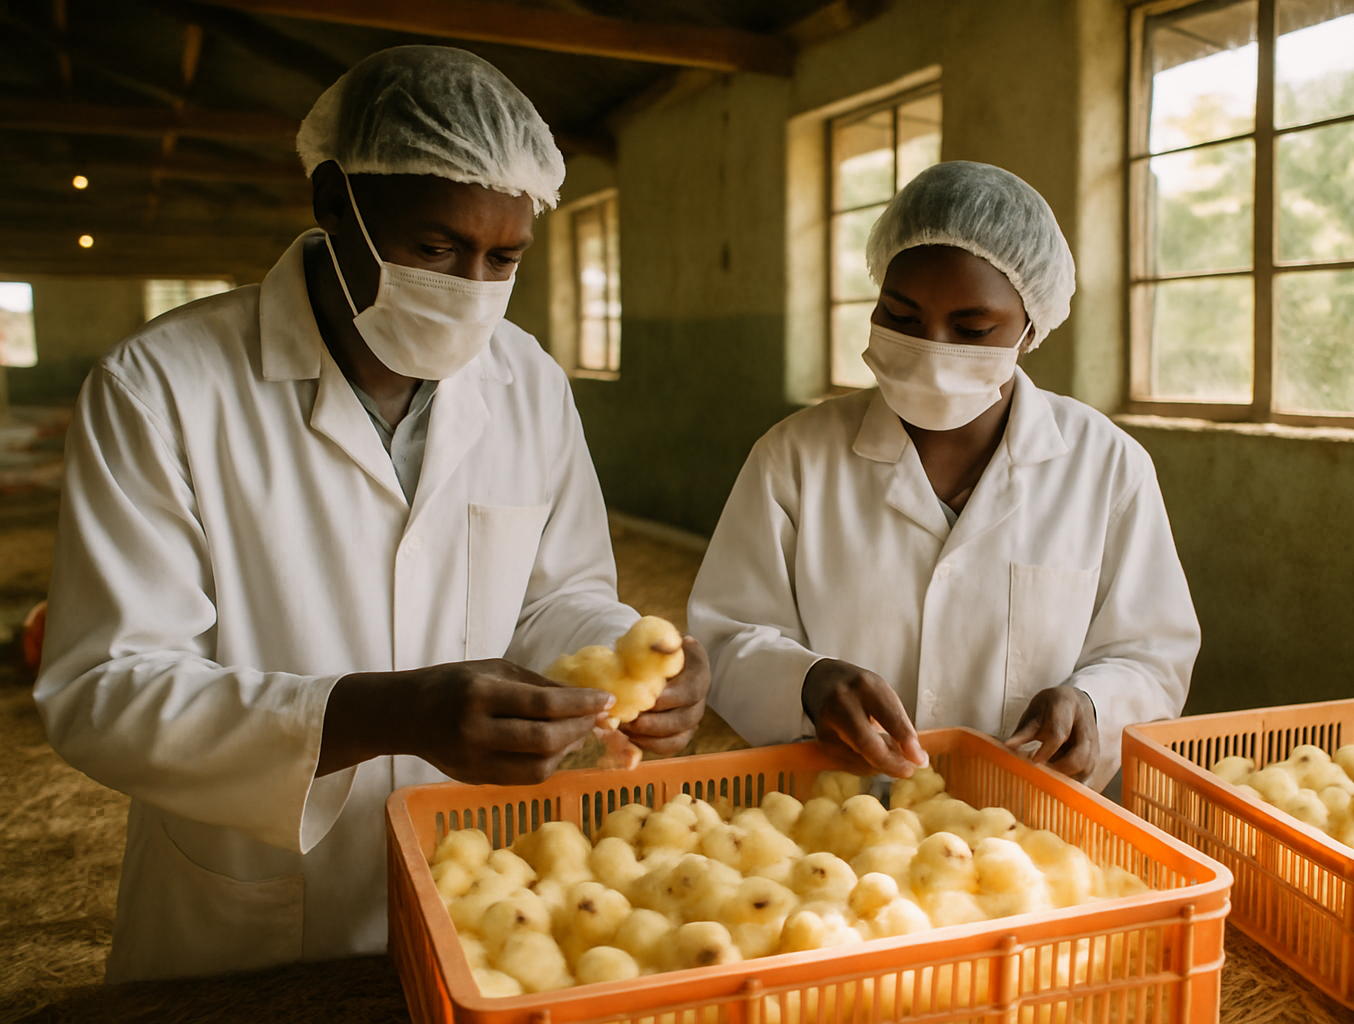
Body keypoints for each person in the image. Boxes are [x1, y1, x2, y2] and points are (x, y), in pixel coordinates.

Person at [33, 46, 709, 983]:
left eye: (501, 257)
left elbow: (559, 597)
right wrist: (377, 713)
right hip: (252, 903)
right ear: (330, 199)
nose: (469, 285)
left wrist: (633, 656)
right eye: (433, 248)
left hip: (474, 888)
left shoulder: (529, 384)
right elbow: (107, 688)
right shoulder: (163, 387)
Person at [689, 161, 1197, 793]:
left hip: (1026, 830)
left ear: (1030, 329)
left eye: (971, 330)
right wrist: (807, 682)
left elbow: (1151, 652)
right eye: (901, 319)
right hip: (837, 834)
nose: (931, 348)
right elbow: (727, 633)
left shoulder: (1105, 466)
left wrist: (1092, 703)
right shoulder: (794, 458)